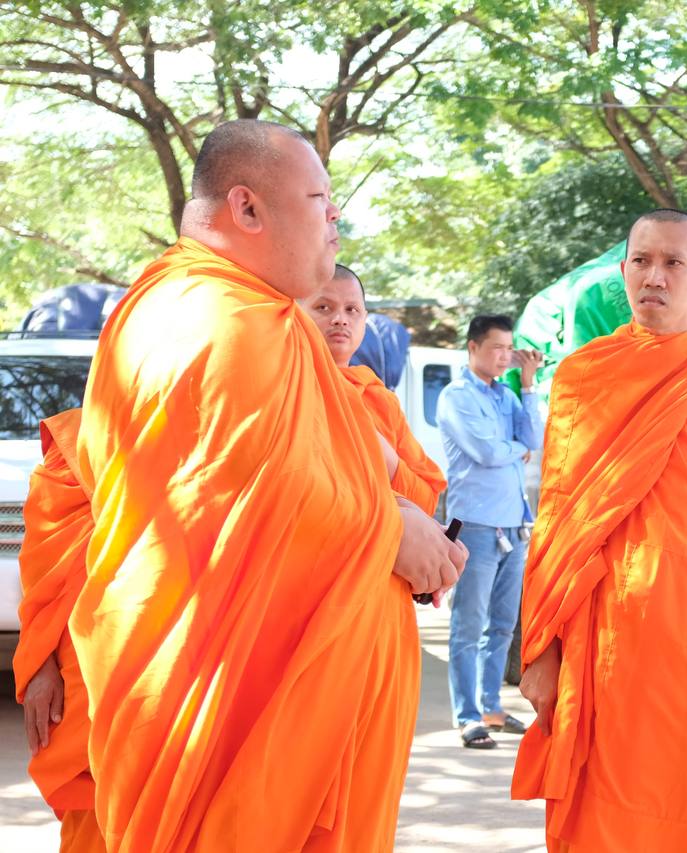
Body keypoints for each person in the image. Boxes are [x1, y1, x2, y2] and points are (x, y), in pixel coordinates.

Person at [72, 118, 466, 852]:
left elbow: (315, 459)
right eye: (321, 198)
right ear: (248, 209)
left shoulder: (253, 318)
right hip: (235, 708)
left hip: (291, 697)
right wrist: (395, 531)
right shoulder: (219, 321)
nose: (335, 219)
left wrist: (398, 502)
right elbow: (263, 499)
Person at [511, 209, 687, 852]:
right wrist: (541, 650)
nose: (654, 277)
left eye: (673, 263)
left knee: (680, 800)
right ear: (623, 270)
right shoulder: (581, 375)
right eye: (641, 261)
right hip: (595, 628)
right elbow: (556, 514)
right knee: (593, 805)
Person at [436, 315, 544, 748]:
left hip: (514, 525)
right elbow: (485, 451)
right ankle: (468, 716)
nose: (504, 356)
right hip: (476, 526)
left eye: (509, 349)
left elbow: (535, 436)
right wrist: (518, 450)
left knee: (501, 625)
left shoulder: (509, 396)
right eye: (497, 348)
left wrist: (530, 382)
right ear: (473, 347)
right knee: (469, 624)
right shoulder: (455, 397)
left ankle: (491, 708)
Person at [14, 408, 105, 852]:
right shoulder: (74, 447)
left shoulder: (200, 437)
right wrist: (40, 666)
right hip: (83, 673)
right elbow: (41, 573)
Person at [299, 263, 447, 515]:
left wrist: (370, 439)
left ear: (364, 320)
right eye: (323, 307)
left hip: (378, 547)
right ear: (296, 313)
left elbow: (426, 499)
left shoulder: (378, 398)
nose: (340, 319)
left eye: (352, 310)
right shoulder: (286, 384)